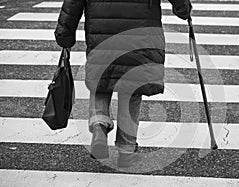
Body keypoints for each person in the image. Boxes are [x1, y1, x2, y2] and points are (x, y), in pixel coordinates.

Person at [55, 0, 192, 168]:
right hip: (141, 31)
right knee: (132, 86)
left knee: (102, 81)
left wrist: (65, 34)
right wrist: (184, 9)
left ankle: (99, 125)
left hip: (102, 29)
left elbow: (72, 3)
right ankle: (126, 151)